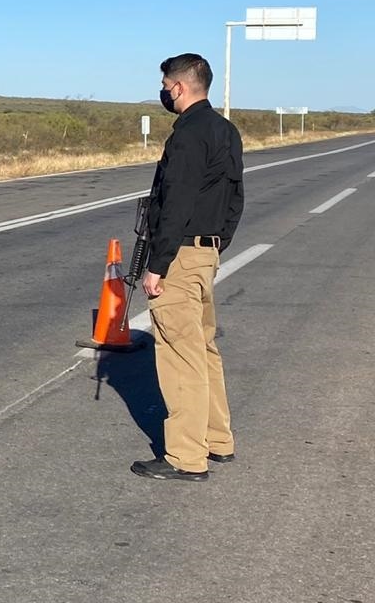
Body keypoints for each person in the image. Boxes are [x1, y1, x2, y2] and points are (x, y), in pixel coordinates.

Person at [131, 53, 244, 482]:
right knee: (203, 348)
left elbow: (175, 201)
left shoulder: (188, 135)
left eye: (165, 85)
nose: (164, 92)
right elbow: (236, 197)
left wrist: (158, 265)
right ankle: (218, 439)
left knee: (181, 356)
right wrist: (217, 245)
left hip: (180, 253)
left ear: (177, 87)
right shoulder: (226, 130)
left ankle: (185, 456)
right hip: (206, 252)